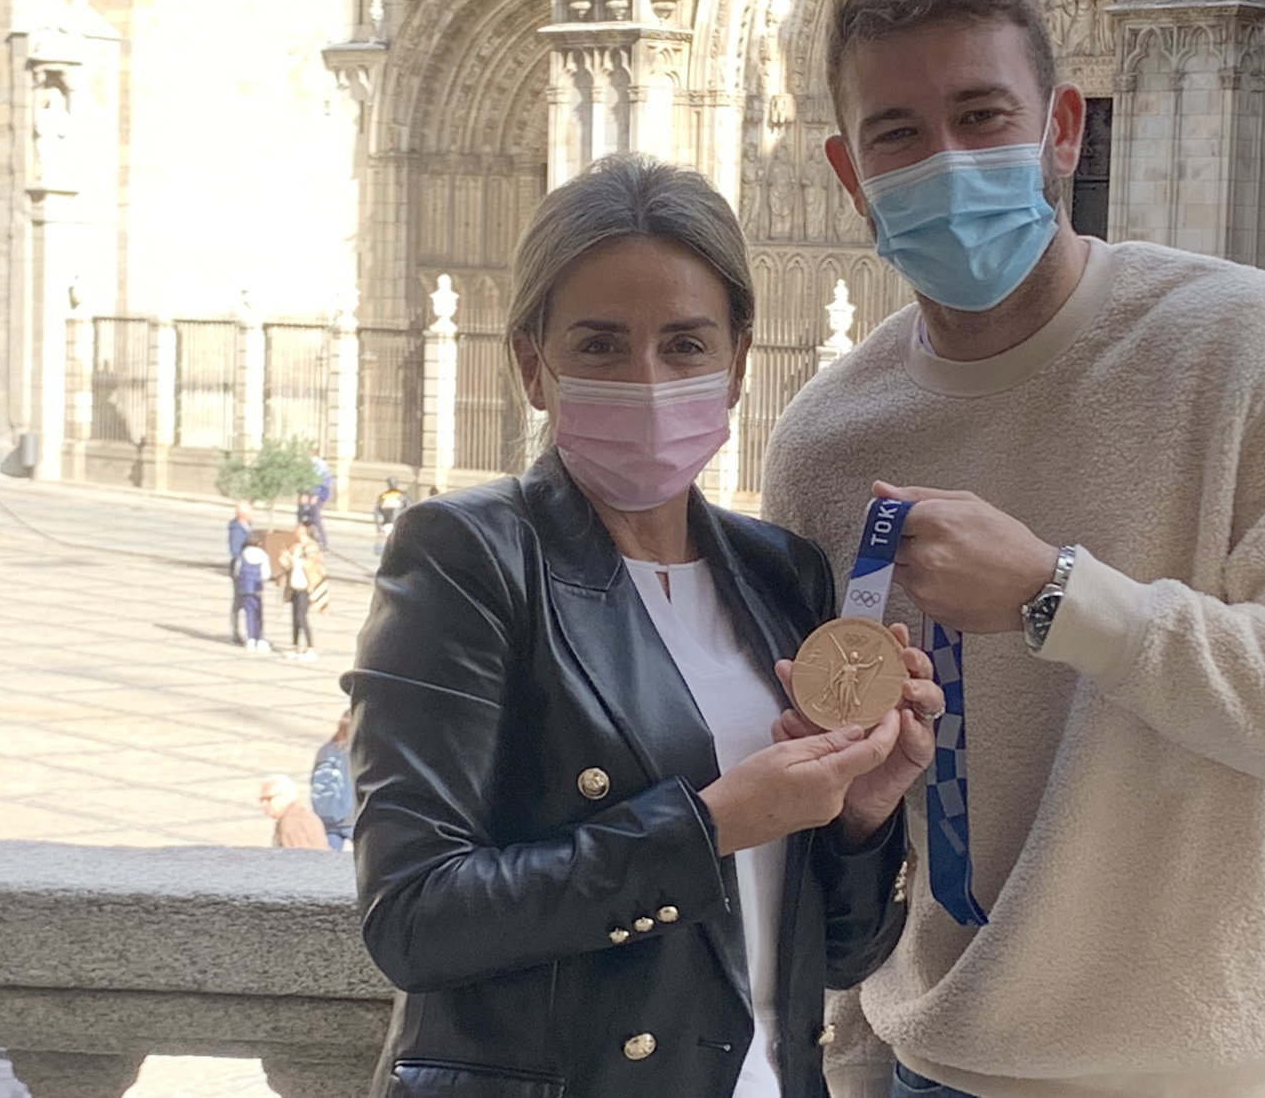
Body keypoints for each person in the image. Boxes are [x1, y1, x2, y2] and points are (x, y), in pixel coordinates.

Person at [765, 0, 1265, 1098]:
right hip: (944, 1069)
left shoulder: (1247, 347)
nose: (945, 162)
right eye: (898, 135)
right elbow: (831, 803)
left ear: (1062, 129)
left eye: (983, 115)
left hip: (1230, 1075)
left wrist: (1057, 596)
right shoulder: (826, 443)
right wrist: (854, 1063)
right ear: (847, 171)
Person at [344, 153, 946, 1098]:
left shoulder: (779, 573)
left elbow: (836, 957)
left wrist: (863, 812)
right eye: (599, 345)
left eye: (684, 344)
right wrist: (709, 826)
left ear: (739, 362)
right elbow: (414, 918)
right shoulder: (470, 556)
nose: (648, 379)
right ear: (530, 363)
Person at [278, 522, 328, 661]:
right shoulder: (295, 547)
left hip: (305, 587)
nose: (295, 532)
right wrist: (285, 560)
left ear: (304, 531)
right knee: (294, 618)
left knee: (302, 617)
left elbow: (313, 565)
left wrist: (295, 562)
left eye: (298, 530)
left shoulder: (311, 546)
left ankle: (310, 647)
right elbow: (288, 566)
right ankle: (295, 646)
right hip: (294, 585)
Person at [309, 711, 356, 850]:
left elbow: (315, 781)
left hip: (327, 816)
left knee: (331, 856)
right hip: (351, 816)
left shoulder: (325, 750)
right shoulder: (358, 751)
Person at [260, 775, 329, 849]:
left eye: (268, 799)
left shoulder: (293, 823)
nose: (263, 804)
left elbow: (299, 857)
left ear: (285, 796)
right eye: (261, 800)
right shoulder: (300, 815)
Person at [234, 536, 272, 652]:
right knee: (258, 613)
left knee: (249, 613)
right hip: (256, 587)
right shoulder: (262, 555)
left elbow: (237, 570)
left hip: (245, 588)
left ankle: (250, 639)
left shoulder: (243, 554)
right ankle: (259, 638)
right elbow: (266, 573)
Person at [227, 500, 254, 644]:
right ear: (243, 514)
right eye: (249, 511)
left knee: (245, 600)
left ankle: (246, 630)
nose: (251, 514)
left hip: (247, 568)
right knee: (238, 601)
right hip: (240, 569)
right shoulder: (237, 529)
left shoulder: (247, 525)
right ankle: (236, 631)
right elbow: (235, 550)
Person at [373, 477, 408, 556]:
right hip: (387, 525)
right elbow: (377, 512)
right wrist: (378, 527)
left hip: (399, 525)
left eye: (394, 482)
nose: (393, 484)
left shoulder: (402, 496)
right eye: (391, 482)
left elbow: (408, 509)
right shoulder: (383, 496)